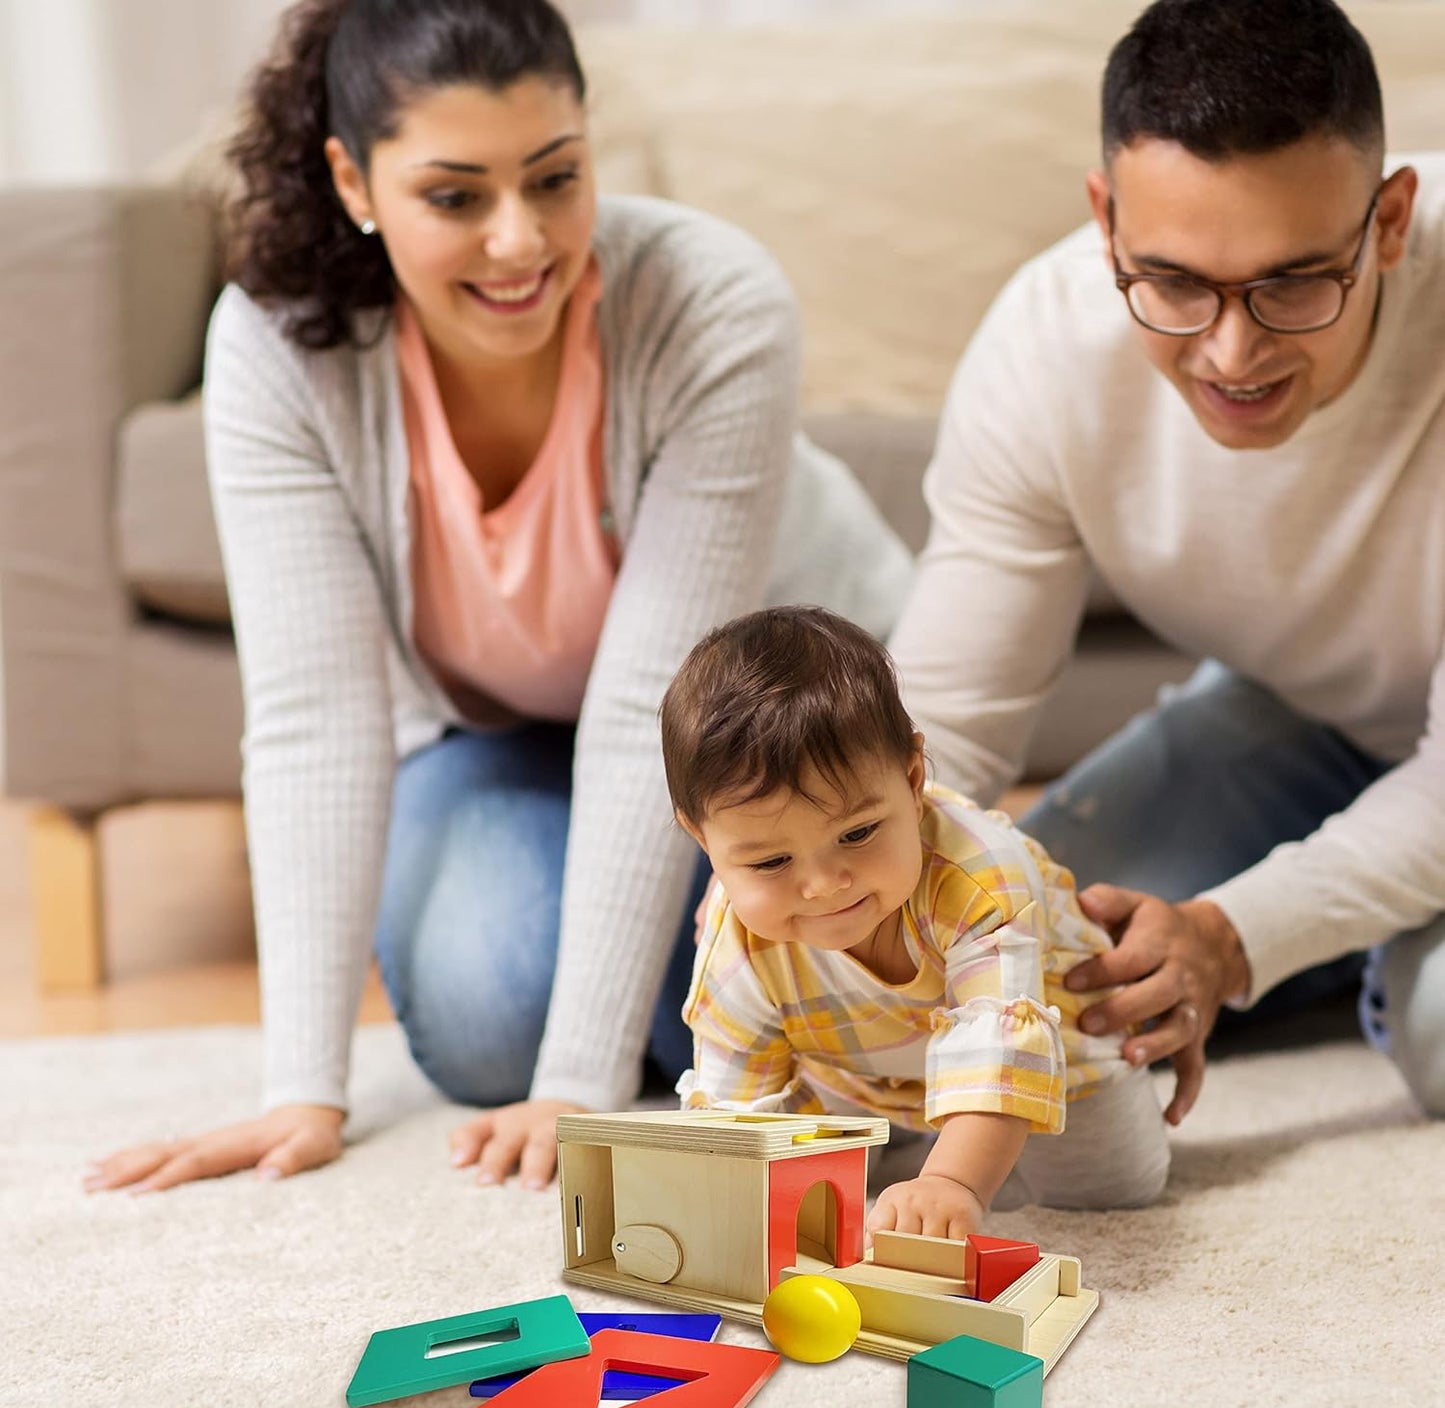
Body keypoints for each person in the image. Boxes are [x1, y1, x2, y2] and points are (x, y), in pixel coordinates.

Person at [83, 0, 910, 1197]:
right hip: (497, 736)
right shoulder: (275, 344)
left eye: (555, 178)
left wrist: (575, 1082)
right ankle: (740, 1026)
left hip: (779, 751)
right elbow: (316, 712)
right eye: (455, 196)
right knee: (485, 1012)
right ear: (353, 181)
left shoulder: (711, 300)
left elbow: (648, 704)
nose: (520, 242)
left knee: (828, 950)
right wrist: (299, 1090)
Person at [889, 0, 1445, 1129]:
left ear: (1390, 220)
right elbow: (946, 724)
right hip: (1295, 720)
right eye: (1174, 282)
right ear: (1104, 222)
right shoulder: (1044, 348)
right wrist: (851, 917)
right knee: (1034, 959)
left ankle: (1371, 963)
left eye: (1294, 282)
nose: (1230, 352)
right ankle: (1349, 935)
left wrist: (1233, 935)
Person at [660, 607, 1169, 1239]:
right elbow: (735, 1105)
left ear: (911, 777)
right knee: (802, 1189)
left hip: (1055, 1045)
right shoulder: (736, 936)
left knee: (1113, 1186)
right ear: (702, 838)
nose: (823, 886)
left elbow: (1003, 1056)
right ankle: (918, 1135)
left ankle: (955, 1148)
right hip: (858, 1066)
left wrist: (951, 1183)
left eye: (858, 832)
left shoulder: (979, 880)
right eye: (770, 860)